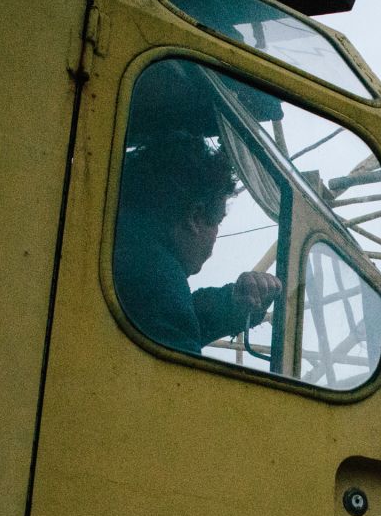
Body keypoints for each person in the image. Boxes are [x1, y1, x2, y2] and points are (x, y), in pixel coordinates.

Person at [112, 130, 281, 356]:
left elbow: (177, 318)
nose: (214, 238)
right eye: (218, 221)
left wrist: (233, 304)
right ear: (194, 218)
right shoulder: (157, 276)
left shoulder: (123, 252)